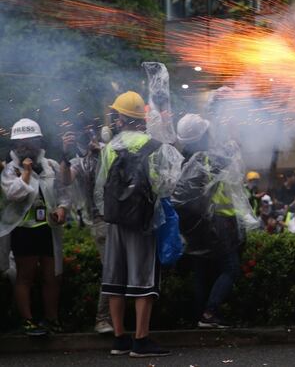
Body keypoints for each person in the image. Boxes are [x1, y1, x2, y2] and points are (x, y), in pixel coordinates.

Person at [95, 91, 182, 358]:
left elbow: (100, 189)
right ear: (142, 119)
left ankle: (120, 339)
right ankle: (141, 340)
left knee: (115, 279)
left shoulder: (110, 148)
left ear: (120, 117)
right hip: (144, 222)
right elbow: (165, 186)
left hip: (115, 222)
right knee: (143, 281)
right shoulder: (156, 146)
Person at [172, 113, 243, 329]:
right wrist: (233, 139)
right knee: (230, 268)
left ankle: (199, 316)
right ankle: (210, 312)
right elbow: (230, 159)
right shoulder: (204, 159)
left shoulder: (182, 159)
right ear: (202, 135)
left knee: (201, 271)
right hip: (216, 224)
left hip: (193, 228)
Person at [0, 118, 69, 336]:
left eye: (30, 141)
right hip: (24, 230)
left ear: (39, 142)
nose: (25, 147)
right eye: (20, 143)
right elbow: (14, 194)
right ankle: (28, 320)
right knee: (25, 277)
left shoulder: (50, 165)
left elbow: (63, 192)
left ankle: (52, 319)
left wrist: (62, 209)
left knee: (52, 277)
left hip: (48, 229)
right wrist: (27, 173)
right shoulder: (10, 170)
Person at [67, 125, 113, 334]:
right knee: (111, 270)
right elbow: (66, 178)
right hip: (101, 221)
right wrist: (63, 154)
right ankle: (102, 318)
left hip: (119, 219)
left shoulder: (108, 152)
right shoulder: (79, 163)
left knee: (123, 269)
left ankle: (114, 318)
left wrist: (102, 150)